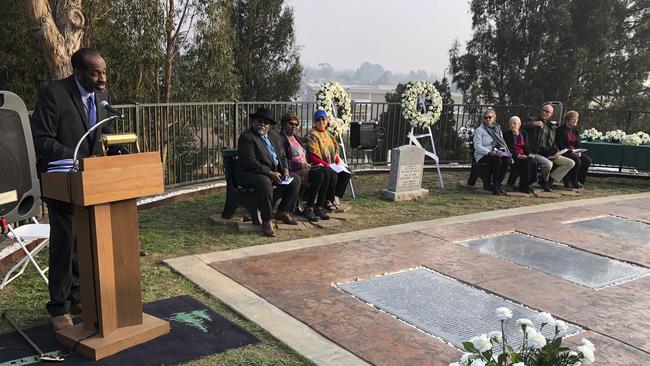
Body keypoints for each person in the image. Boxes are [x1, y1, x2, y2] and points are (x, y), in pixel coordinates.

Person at [30, 48, 115, 331]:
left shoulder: (102, 96)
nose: (103, 78)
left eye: (104, 71)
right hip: (62, 181)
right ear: (78, 72)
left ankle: (79, 297)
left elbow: (102, 136)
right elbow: (41, 139)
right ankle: (59, 308)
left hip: (91, 182)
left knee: (86, 241)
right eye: (96, 72)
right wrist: (77, 158)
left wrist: (119, 152)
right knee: (65, 244)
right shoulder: (54, 94)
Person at [235, 107, 301, 237]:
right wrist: (270, 173)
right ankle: (266, 221)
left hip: (271, 172)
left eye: (266, 123)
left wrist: (286, 170)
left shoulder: (274, 136)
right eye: (259, 121)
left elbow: (282, 156)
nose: (262, 124)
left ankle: (283, 211)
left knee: (295, 180)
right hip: (248, 173)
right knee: (265, 182)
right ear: (253, 121)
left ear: (270, 126)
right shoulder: (247, 137)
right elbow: (250, 163)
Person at [279, 112, 331, 221]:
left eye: (296, 125)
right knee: (319, 175)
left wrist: (307, 164)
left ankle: (319, 207)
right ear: (284, 124)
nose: (294, 127)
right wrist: (300, 165)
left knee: (327, 171)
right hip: (293, 169)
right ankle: (309, 208)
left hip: (305, 167)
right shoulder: (281, 139)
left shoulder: (296, 138)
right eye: (291, 124)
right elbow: (282, 160)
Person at [304, 109, 351, 210]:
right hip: (318, 165)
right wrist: (327, 165)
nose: (321, 122)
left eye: (323, 119)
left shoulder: (329, 135)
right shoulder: (311, 135)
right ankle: (327, 200)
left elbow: (335, 152)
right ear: (315, 122)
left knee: (346, 172)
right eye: (318, 120)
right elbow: (312, 156)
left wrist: (338, 163)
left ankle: (334, 197)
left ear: (327, 121)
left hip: (331, 164)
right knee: (330, 173)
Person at [524, 104, 575, 191]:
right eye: (543, 110)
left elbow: (553, 141)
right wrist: (534, 123)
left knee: (570, 163)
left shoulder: (551, 126)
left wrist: (556, 151)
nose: (544, 113)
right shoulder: (533, 119)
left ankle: (548, 180)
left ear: (551, 114)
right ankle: (545, 180)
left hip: (547, 152)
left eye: (547, 112)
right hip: (535, 152)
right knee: (548, 164)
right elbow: (522, 126)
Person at [472, 109, 511, 195]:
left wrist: (502, 150)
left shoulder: (497, 129)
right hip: (483, 155)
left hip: (496, 153)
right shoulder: (480, 130)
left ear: (494, 118)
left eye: (490, 117)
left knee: (507, 160)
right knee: (497, 160)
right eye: (485, 118)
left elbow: (501, 142)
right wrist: (489, 152)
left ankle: (498, 183)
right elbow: (477, 147)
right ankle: (495, 185)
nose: (488, 119)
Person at [556, 111, 592, 188]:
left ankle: (580, 181)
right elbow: (560, 145)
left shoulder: (575, 131)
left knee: (587, 160)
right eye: (573, 119)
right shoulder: (560, 130)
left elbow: (579, 144)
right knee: (577, 160)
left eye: (576, 119)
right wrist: (571, 152)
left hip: (575, 152)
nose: (576, 121)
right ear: (567, 120)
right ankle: (570, 181)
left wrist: (579, 152)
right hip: (565, 152)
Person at [504, 116, 538, 193]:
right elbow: (508, 148)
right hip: (514, 156)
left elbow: (527, 146)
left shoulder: (523, 133)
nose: (512, 125)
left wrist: (529, 154)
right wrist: (517, 155)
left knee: (533, 161)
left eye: (514, 123)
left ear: (519, 124)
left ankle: (528, 183)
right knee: (526, 163)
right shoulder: (506, 135)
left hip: (524, 155)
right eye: (511, 123)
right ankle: (523, 186)